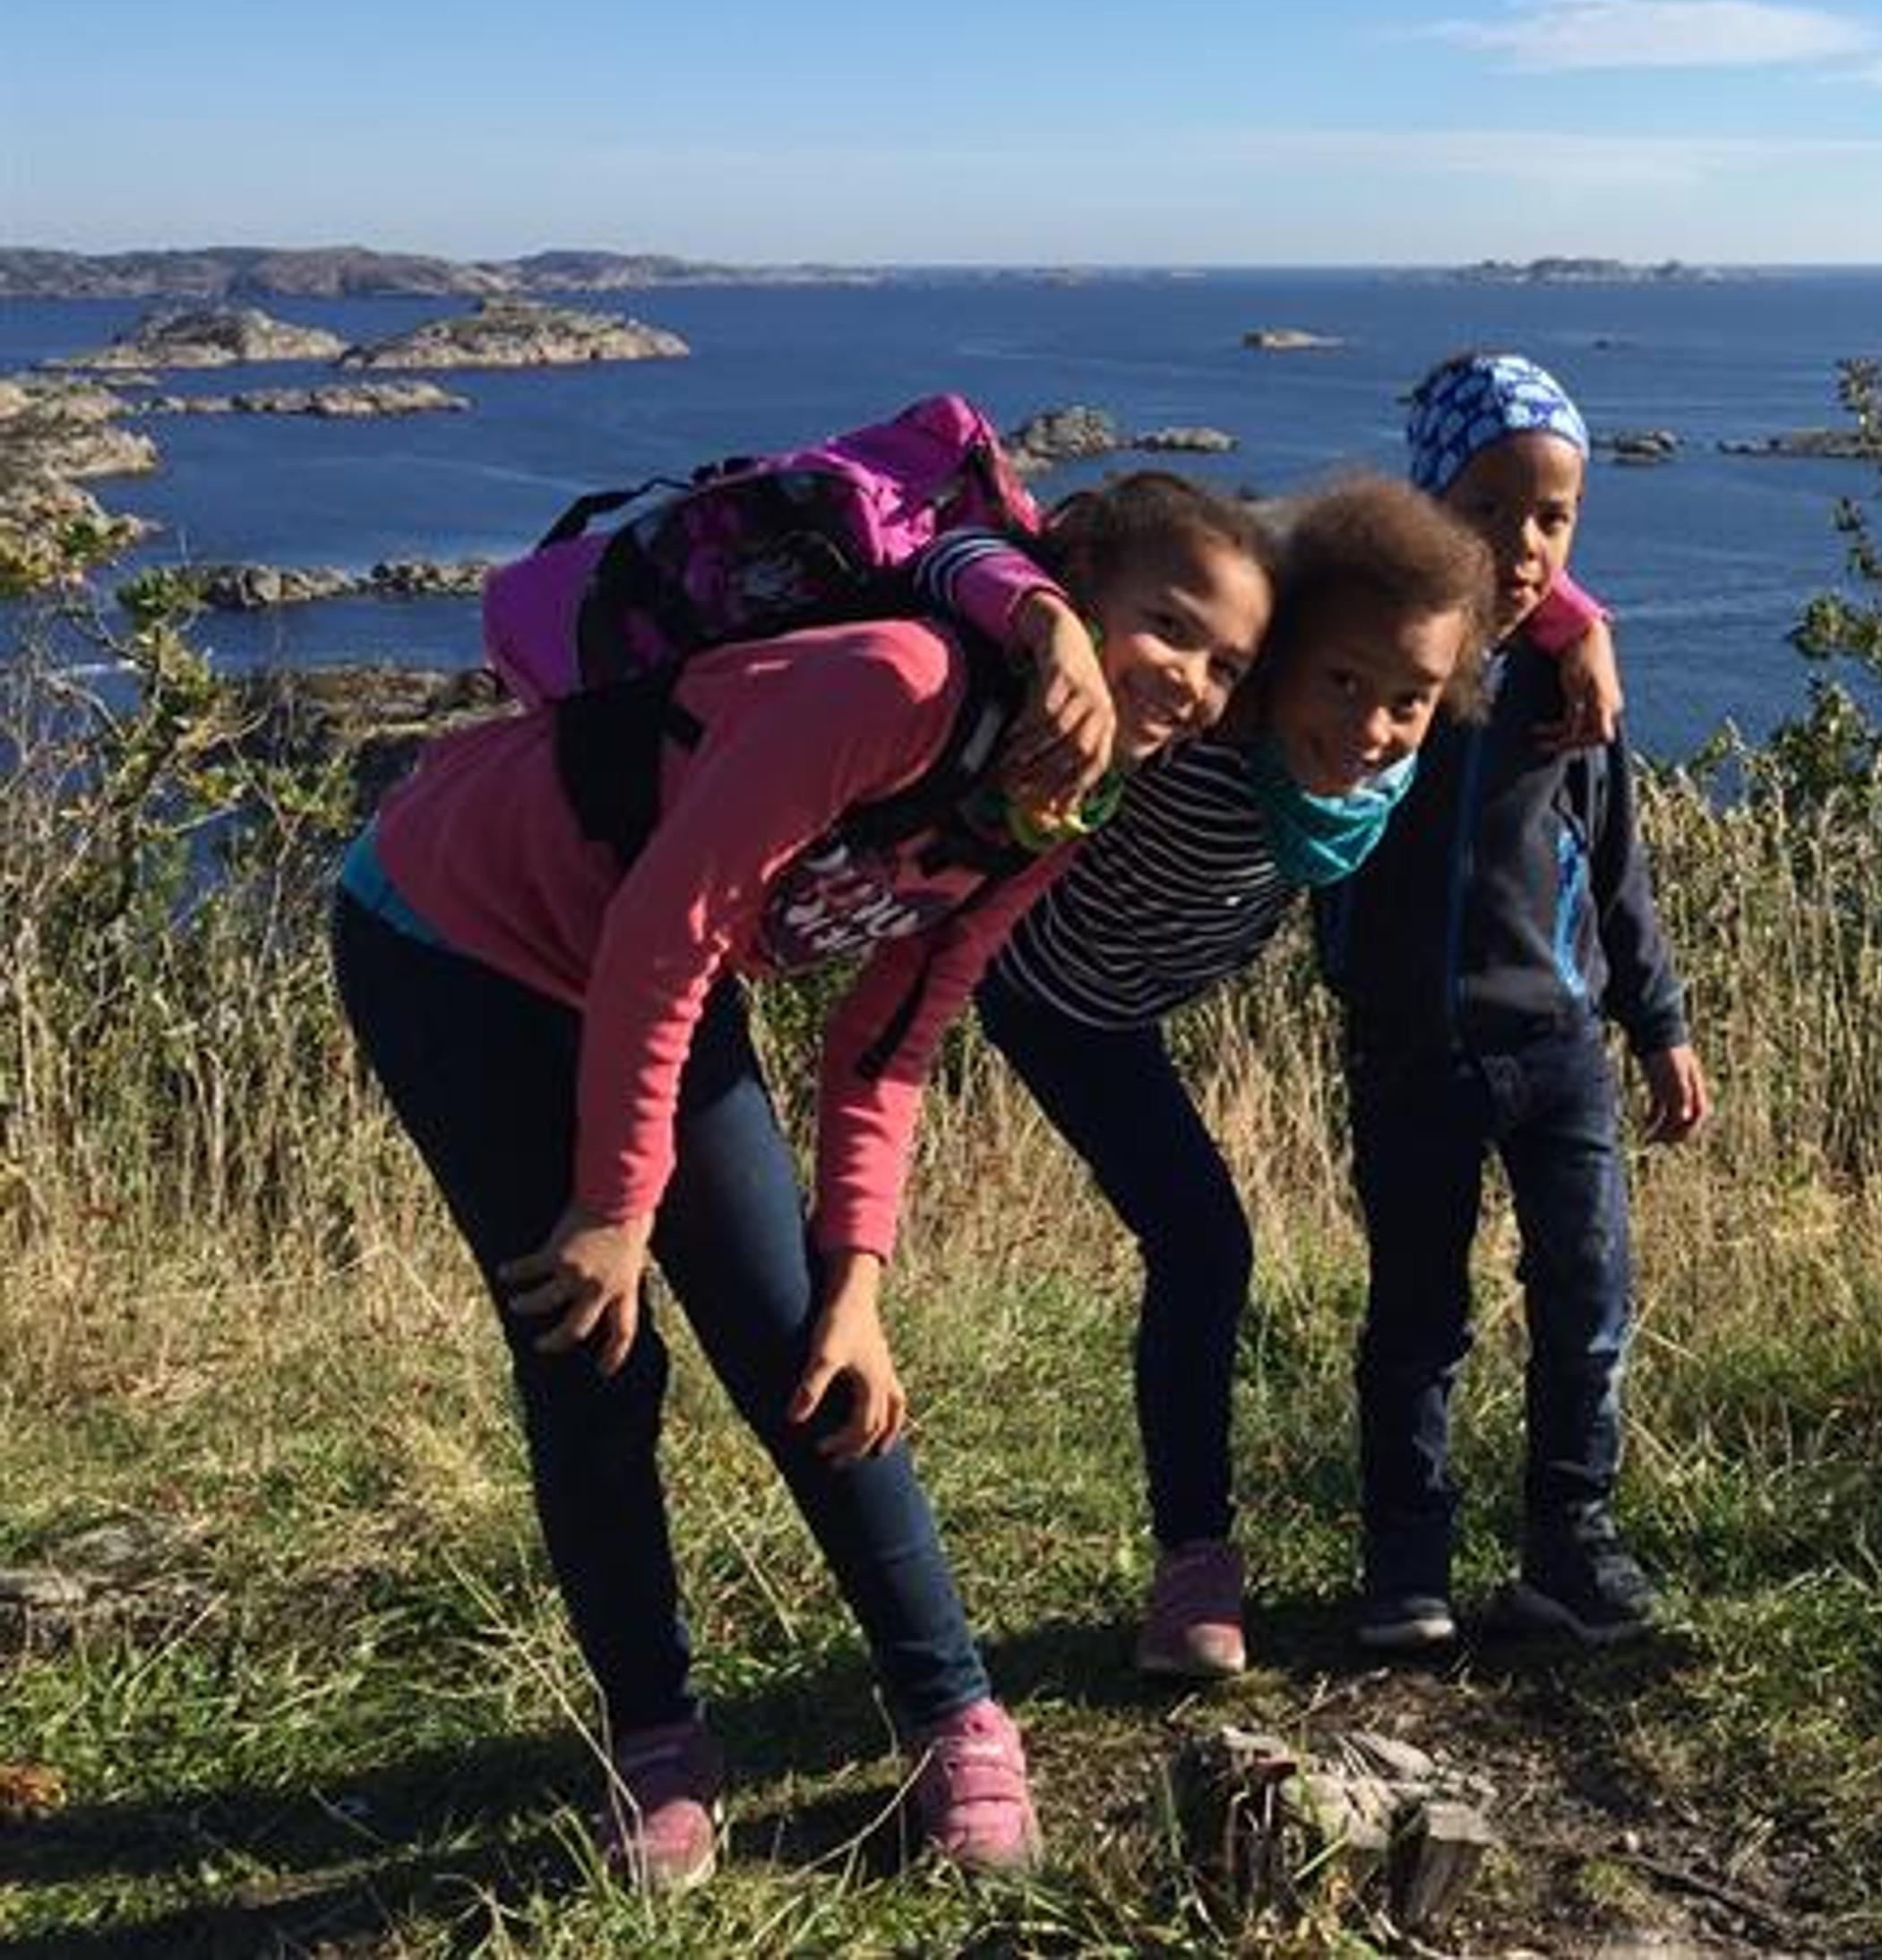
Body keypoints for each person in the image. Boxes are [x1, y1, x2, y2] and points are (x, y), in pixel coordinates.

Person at [328, 470, 1273, 1888]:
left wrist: (862, 1280)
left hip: (647, 954)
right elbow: (668, 922)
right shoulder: (896, 680)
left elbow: (894, 1029)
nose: (1193, 682)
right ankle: (656, 1751)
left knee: (804, 1342)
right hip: (450, 933)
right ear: (1071, 584)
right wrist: (615, 1205)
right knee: (591, 1346)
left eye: (1229, 666)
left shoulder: (1066, 792)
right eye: (1172, 628)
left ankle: (957, 1718)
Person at [946, 475, 1622, 1679]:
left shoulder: (1375, 775)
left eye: (1408, 700)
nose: (1367, 725)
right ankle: (1194, 1566)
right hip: (1053, 1000)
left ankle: (1201, 1559)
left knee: (1210, 1247)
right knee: (1207, 1246)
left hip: (1143, 1002)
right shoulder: (1201, 724)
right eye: (1342, 683)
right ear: (1274, 664)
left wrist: (1576, 617)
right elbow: (1105, 577)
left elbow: (1469, 600)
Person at [1316, 351, 1711, 1651]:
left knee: (1588, 1301)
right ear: (1429, 502)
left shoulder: (1567, 681)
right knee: (1417, 1313)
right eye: (1488, 507)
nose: (1524, 542)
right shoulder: (1372, 666)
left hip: (1560, 1044)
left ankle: (1568, 1545)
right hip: (1408, 1048)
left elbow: (1614, 853)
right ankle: (1407, 1564)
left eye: (1554, 517)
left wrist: (1659, 1020)